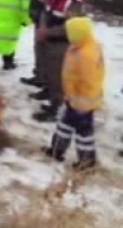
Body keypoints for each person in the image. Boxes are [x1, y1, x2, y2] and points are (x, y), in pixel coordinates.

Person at [43, 17, 104, 171]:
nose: (67, 35)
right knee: (64, 124)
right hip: (74, 98)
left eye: (69, 32)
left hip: (82, 101)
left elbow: (88, 80)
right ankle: (56, 150)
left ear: (78, 33)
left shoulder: (86, 54)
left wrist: (77, 100)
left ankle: (86, 161)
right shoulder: (82, 45)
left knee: (83, 133)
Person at [32, 0, 85, 122]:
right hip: (48, 39)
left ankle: (56, 108)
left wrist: (48, 32)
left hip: (61, 44)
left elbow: (70, 27)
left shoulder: (74, 3)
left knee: (58, 76)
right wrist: (42, 28)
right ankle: (48, 93)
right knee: (48, 70)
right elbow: (45, 12)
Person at [21, 0, 62, 88]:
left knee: (46, 52)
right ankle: (39, 75)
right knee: (39, 50)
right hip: (41, 22)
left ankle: (45, 80)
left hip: (49, 25)